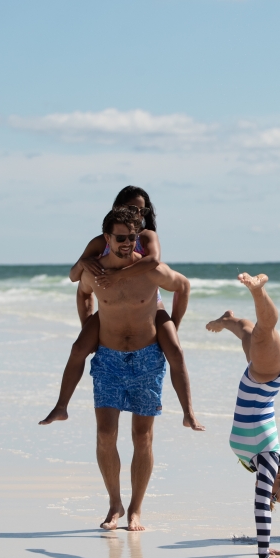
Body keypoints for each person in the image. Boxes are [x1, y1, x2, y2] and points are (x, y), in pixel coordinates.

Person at [43, 207, 195, 531]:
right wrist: (91, 328)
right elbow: (81, 290)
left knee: (142, 438)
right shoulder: (94, 271)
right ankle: (115, 504)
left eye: (133, 237)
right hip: (110, 359)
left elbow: (182, 285)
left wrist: (174, 325)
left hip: (146, 359)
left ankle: (136, 510)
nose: (128, 244)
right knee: (104, 435)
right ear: (107, 238)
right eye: (121, 238)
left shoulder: (150, 272)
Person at [39, 186, 201, 431]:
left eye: (142, 209)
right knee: (78, 348)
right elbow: (75, 279)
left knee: (175, 351)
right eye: (131, 208)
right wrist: (83, 264)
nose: (137, 214)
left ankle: (188, 413)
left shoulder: (145, 236)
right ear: (117, 208)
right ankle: (61, 406)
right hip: (110, 305)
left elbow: (153, 261)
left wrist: (173, 326)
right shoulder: (101, 241)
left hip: (150, 304)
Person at [205, 272, 280, 558]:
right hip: (269, 377)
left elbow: (266, 502)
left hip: (255, 378)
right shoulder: (269, 459)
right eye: (277, 495)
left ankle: (227, 320)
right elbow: (261, 505)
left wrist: (268, 544)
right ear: (279, 479)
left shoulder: (257, 462)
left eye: (275, 499)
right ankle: (258, 291)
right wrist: (264, 553)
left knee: (248, 333)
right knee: (265, 330)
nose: (271, 497)